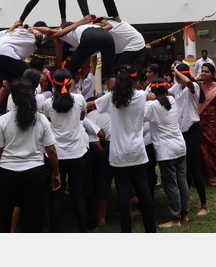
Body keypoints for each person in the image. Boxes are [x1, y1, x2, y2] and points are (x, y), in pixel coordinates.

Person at [0, 78, 61, 233]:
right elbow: (51, 150)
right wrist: (56, 174)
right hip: (34, 174)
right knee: (33, 218)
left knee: (3, 216)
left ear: (12, 98)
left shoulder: (4, 120)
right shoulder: (41, 119)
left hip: (7, 174)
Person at [89, 64, 156, 233]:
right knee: (144, 191)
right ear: (135, 79)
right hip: (137, 152)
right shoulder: (140, 96)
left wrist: (75, 102)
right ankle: (150, 230)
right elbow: (154, 96)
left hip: (118, 154)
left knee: (123, 194)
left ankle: (126, 230)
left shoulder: (112, 96)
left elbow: (93, 104)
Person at [40, 68, 89, 232]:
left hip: (56, 155)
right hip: (77, 153)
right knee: (78, 193)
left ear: (53, 84)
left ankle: (54, 229)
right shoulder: (79, 99)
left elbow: (48, 121)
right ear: (70, 83)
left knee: (57, 193)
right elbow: (82, 117)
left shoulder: (48, 104)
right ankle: (83, 228)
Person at [145, 77, 189, 228]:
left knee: (170, 184)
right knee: (182, 180)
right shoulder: (172, 101)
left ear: (152, 90)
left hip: (166, 150)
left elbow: (140, 115)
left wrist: (146, 97)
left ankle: (175, 219)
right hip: (179, 145)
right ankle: (184, 214)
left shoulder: (151, 106)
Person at [170, 62, 209, 216]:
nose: (176, 78)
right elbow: (166, 94)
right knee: (182, 167)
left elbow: (187, 82)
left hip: (193, 130)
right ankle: (186, 199)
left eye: (177, 75)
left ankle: (204, 205)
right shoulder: (177, 87)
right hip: (181, 132)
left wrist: (175, 71)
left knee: (194, 167)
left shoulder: (193, 86)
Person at [0, 21, 46, 115]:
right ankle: (26, 106)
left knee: (7, 81)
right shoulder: (35, 35)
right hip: (4, 52)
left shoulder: (18, 32)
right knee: (30, 76)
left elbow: (9, 33)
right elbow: (57, 32)